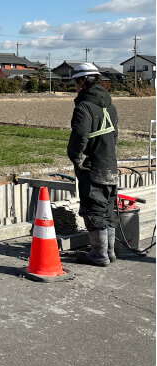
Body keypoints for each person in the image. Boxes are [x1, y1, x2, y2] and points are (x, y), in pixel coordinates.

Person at [67, 62, 119, 266]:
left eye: (75, 83)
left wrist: (77, 158)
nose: (75, 87)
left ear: (82, 81)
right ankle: (110, 252)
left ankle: (99, 254)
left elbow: (80, 136)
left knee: (93, 210)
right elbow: (114, 136)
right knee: (107, 209)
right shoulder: (110, 106)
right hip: (110, 166)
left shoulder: (84, 107)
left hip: (93, 167)